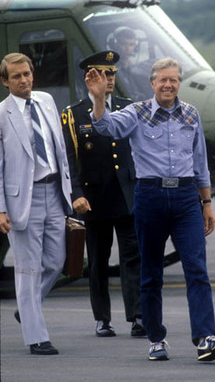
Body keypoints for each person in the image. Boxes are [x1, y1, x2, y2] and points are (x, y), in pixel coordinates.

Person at [85, 57, 215, 362]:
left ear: (179, 83)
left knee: (197, 269)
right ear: (152, 84)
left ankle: (205, 337)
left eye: (173, 80)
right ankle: (155, 338)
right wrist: (99, 99)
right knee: (150, 273)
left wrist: (206, 204)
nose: (168, 85)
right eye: (162, 80)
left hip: (186, 198)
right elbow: (105, 126)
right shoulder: (137, 113)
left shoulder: (190, 114)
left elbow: (200, 163)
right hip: (150, 196)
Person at [61, 50, 145, 338]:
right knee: (98, 260)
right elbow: (70, 160)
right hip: (93, 200)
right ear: (90, 77)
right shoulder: (73, 114)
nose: (109, 79)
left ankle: (137, 315)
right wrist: (76, 194)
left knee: (132, 257)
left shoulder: (128, 107)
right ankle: (102, 318)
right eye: (103, 74)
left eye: (112, 74)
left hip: (126, 194)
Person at [0, 52, 73, 355]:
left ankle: (27, 306)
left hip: (54, 193)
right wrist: (1, 208)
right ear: (5, 81)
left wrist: (72, 191)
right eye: (16, 76)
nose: (24, 80)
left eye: (27, 74)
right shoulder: (2, 114)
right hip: (23, 199)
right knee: (28, 270)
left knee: (56, 261)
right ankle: (36, 337)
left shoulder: (46, 101)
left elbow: (60, 149)